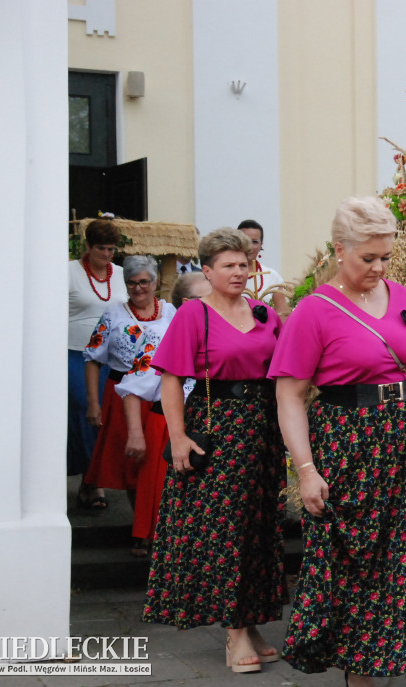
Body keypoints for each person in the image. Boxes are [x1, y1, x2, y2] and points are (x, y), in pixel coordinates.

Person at [270, 196, 406, 687]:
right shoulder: (313, 312)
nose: (380, 268)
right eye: (369, 258)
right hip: (346, 444)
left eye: (387, 256)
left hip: (402, 444)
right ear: (340, 250)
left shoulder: (403, 298)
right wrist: (306, 469)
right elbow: (291, 397)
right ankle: (360, 672)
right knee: (355, 560)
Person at [142, 228, 286, 675]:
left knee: (261, 526)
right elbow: (169, 378)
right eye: (229, 265)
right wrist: (178, 436)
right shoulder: (193, 315)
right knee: (228, 531)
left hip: (264, 430)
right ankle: (234, 632)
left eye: (244, 264)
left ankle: (254, 620)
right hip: (218, 427)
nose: (240, 272)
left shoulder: (266, 315)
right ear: (207, 271)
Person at [113, 270, 211, 556]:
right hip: (167, 424)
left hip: (208, 420)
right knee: (165, 496)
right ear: (184, 302)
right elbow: (133, 386)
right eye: (202, 298)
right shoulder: (160, 333)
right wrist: (135, 433)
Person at [82, 256, 177, 535]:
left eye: (143, 282)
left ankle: (157, 527)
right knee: (133, 464)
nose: (137, 289)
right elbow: (92, 358)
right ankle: (142, 526)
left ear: (155, 282)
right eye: (131, 283)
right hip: (123, 397)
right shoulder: (113, 315)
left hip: (162, 396)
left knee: (160, 465)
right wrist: (93, 403)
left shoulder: (171, 312)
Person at [68, 216, 126, 508]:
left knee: (107, 415)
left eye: (111, 249)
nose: (106, 255)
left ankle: (92, 482)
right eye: (101, 248)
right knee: (84, 409)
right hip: (74, 352)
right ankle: (91, 479)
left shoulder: (120, 274)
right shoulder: (68, 272)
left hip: (111, 356)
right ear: (87, 246)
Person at [238, 219, 289, 317]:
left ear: (261, 245)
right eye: (245, 241)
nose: (249, 246)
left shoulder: (272, 276)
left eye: (255, 242)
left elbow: (282, 313)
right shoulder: (226, 274)